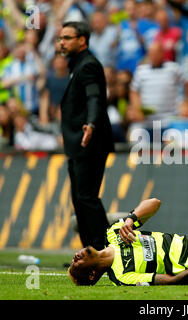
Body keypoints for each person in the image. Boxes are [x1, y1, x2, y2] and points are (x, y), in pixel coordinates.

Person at [58, 21, 114, 250]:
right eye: (60, 38)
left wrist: (91, 123)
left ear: (82, 40)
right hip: (78, 144)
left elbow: (95, 97)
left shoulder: (88, 65)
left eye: (66, 38)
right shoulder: (78, 64)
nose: (61, 42)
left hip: (89, 143)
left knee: (87, 198)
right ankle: (90, 252)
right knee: (81, 200)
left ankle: (104, 249)